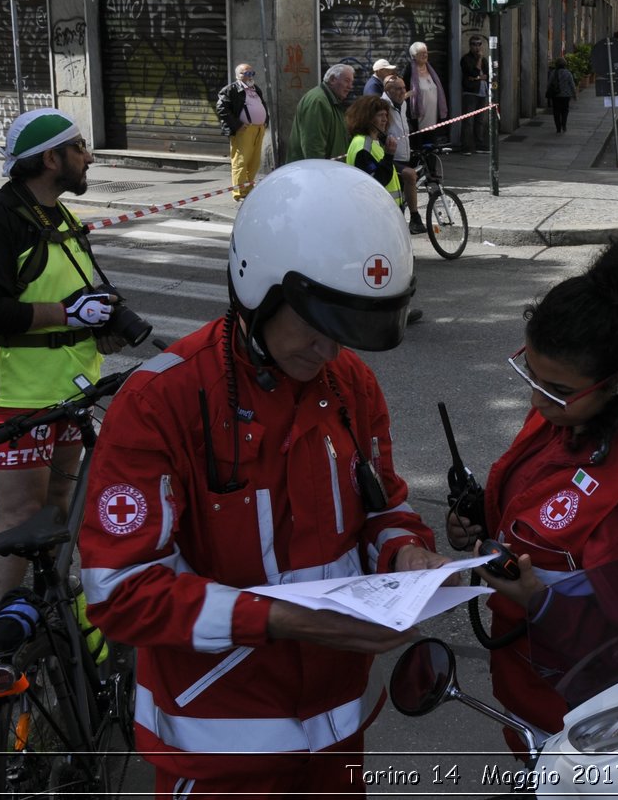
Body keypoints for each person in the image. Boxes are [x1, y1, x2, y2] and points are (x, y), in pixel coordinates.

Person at [77, 161, 448, 795]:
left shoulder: (350, 384)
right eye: (317, 326)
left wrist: (405, 550)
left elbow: (384, 507)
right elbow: (121, 593)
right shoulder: (160, 402)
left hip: (339, 743)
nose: (331, 352)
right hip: (221, 757)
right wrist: (282, 619)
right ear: (256, 288)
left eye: (348, 331)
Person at [447, 236, 618, 741]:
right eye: (530, 373)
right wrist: (481, 526)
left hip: (580, 734)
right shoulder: (565, 417)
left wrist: (539, 601)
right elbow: (537, 518)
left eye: (556, 389)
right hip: (528, 698)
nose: (536, 399)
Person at [0, 110, 132, 631]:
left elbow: (74, 291)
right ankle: (0, 632)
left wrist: (100, 323)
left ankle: (48, 606)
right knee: (21, 513)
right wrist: (68, 314)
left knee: (60, 505)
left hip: (73, 387)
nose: (89, 157)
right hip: (17, 393)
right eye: (81, 147)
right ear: (50, 158)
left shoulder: (58, 215)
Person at [213, 62, 268, 201]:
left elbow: (262, 104)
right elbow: (221, 108)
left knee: (254, 162)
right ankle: (238, 193)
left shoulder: (255, 88)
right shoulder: (231, 89)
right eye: (246, 73)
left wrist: (265, 119)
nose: (250, 76)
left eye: (252, 73)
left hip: (258, 129)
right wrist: (237, 125)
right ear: (238, 75)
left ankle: (249, 189)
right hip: (244, 130)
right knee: (241, 161)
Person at [379, 75, 424, 237]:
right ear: (387, 91)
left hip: (404, 153)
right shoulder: (382, 105)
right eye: (398, 89)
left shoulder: (402, 103)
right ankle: (415, 217)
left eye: (404, 88)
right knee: (410, 175)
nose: (402, 92)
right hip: (390, 155)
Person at [286, 63, 356, 163]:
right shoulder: (318, 101)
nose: (350, 87)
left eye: (351, 82)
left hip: (329, 169)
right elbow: (313, 145)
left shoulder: (331, 101)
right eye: (347, 81)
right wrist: (319, 171)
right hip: (313, 172)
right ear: (332, 79)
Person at [405, 40, 448, 146]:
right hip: (418, 115)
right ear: (414, 56)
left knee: (431, 141)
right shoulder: (410, 70)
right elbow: (405, 91)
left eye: (426, 52)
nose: (425, 55)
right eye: (421, 53)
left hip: (432, 114)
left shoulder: (431, 68)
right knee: (419, 142)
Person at [460, 36, 490, 152]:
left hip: (482, 92)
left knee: (480, 120)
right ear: (470, 46)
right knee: (468, 121)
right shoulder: (466, 59)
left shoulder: (485, 60)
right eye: (474, 44)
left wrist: (477, 78)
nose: (476, 47)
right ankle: (466, 147)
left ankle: (479, 144)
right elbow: (473, 72)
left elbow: (487, 75)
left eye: (479, 44)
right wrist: (479, 62)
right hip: (471, 93)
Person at [547, 56, 577, 135]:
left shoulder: (553, 72)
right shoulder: (568, 73)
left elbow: (549, 84)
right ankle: (564, 124)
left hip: (556, 95)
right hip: (566, 96)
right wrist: (574, 95)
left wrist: (548, 93)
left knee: (556, 111)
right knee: (565, 110)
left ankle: (558, 128)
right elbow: (572, 85)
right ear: (565, 64)